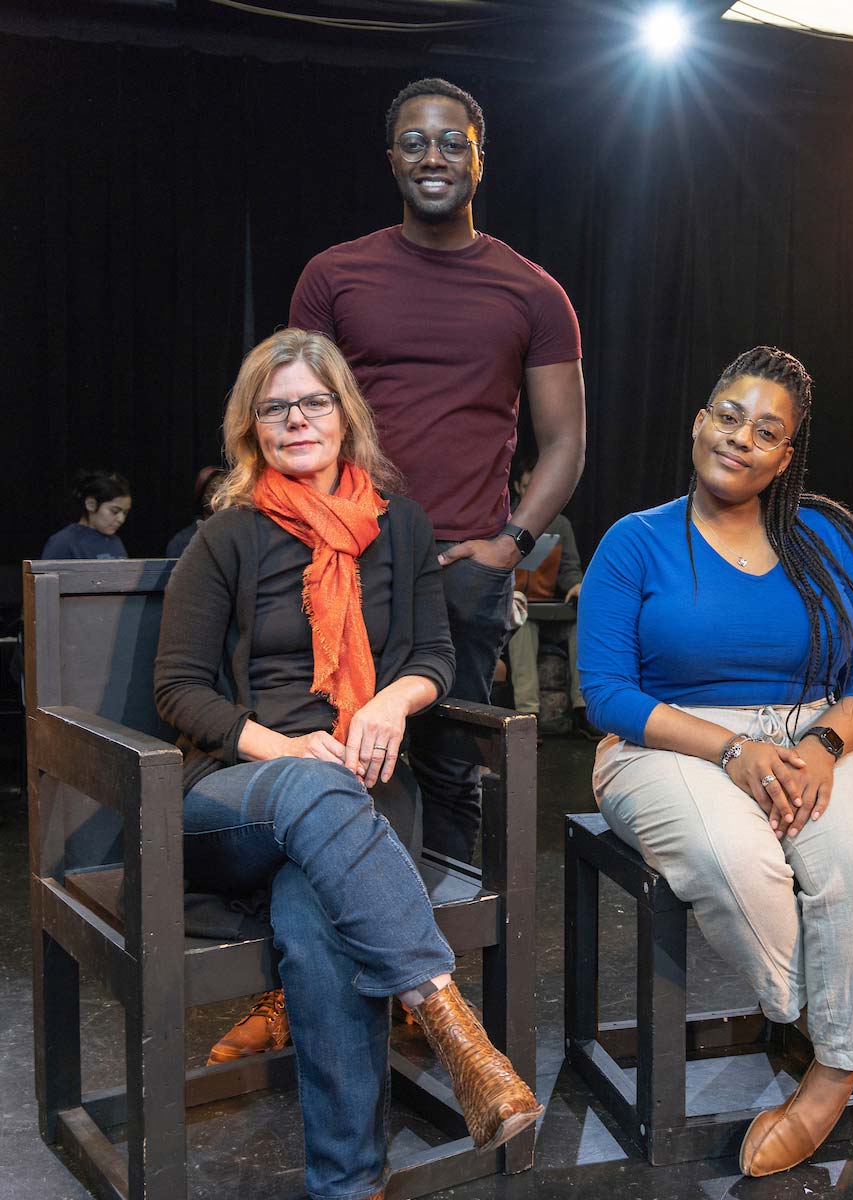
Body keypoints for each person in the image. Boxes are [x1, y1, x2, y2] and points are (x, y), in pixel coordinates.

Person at [154, 329, 542, 1200]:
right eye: (275, 406)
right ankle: (448, 1017)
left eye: (313, 401)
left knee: (320, 930)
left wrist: (387, 701)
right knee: (310, 787)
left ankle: (347, 1186)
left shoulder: (399, 526)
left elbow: (435, 656)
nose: (297, 419)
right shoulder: (227, 536)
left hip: (361, 795)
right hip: (238, 795)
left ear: (345, 413)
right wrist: (283, 747)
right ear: (252, 427)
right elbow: (179, 692)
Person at [577, 347, 853, 1179]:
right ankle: (850, 1039)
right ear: (701, 423)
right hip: (668, 738)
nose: (741, 438)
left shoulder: (830, 539)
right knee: (733, 862)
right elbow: (606, 694)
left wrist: (822, 746)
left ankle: (830, 1074)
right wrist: (733, 750)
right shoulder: (637, 541)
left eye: (766, 431)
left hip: (816, 735)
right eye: (728, 416)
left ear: (786, 456)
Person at [289, 77, 585, 863]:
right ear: (392, 160)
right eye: (416, 141)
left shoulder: (533, 292)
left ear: (479, 160)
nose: (435, 156)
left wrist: (510, 549)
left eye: (454, 142)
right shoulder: (334, 275)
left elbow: (564, 443)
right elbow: (292, 414)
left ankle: (443, 965)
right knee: (336, 757)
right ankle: (348, 958)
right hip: (345, 556)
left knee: (453, 770)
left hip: (462, 565)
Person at [505, 458, 600, 738]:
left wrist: (577, 585)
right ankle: (528, 714)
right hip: (517, 610)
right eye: (527, 485)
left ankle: (584, 709)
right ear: (518, 487)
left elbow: (569, 570)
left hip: (549, 610)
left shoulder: (560, 525)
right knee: (522, 624)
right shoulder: (503, 521)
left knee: (580, 621)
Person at [42, 468, 131, 559]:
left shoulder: (116, 541)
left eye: (125, 512)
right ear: (91, 504)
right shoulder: (63, 543)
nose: (121, 519)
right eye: (114, 511)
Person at [164, 465, 226, 558]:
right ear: (202, 495)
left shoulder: (238, 536)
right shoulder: (183, 541)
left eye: (224, 491)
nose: (219, 497)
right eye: (214, 490)